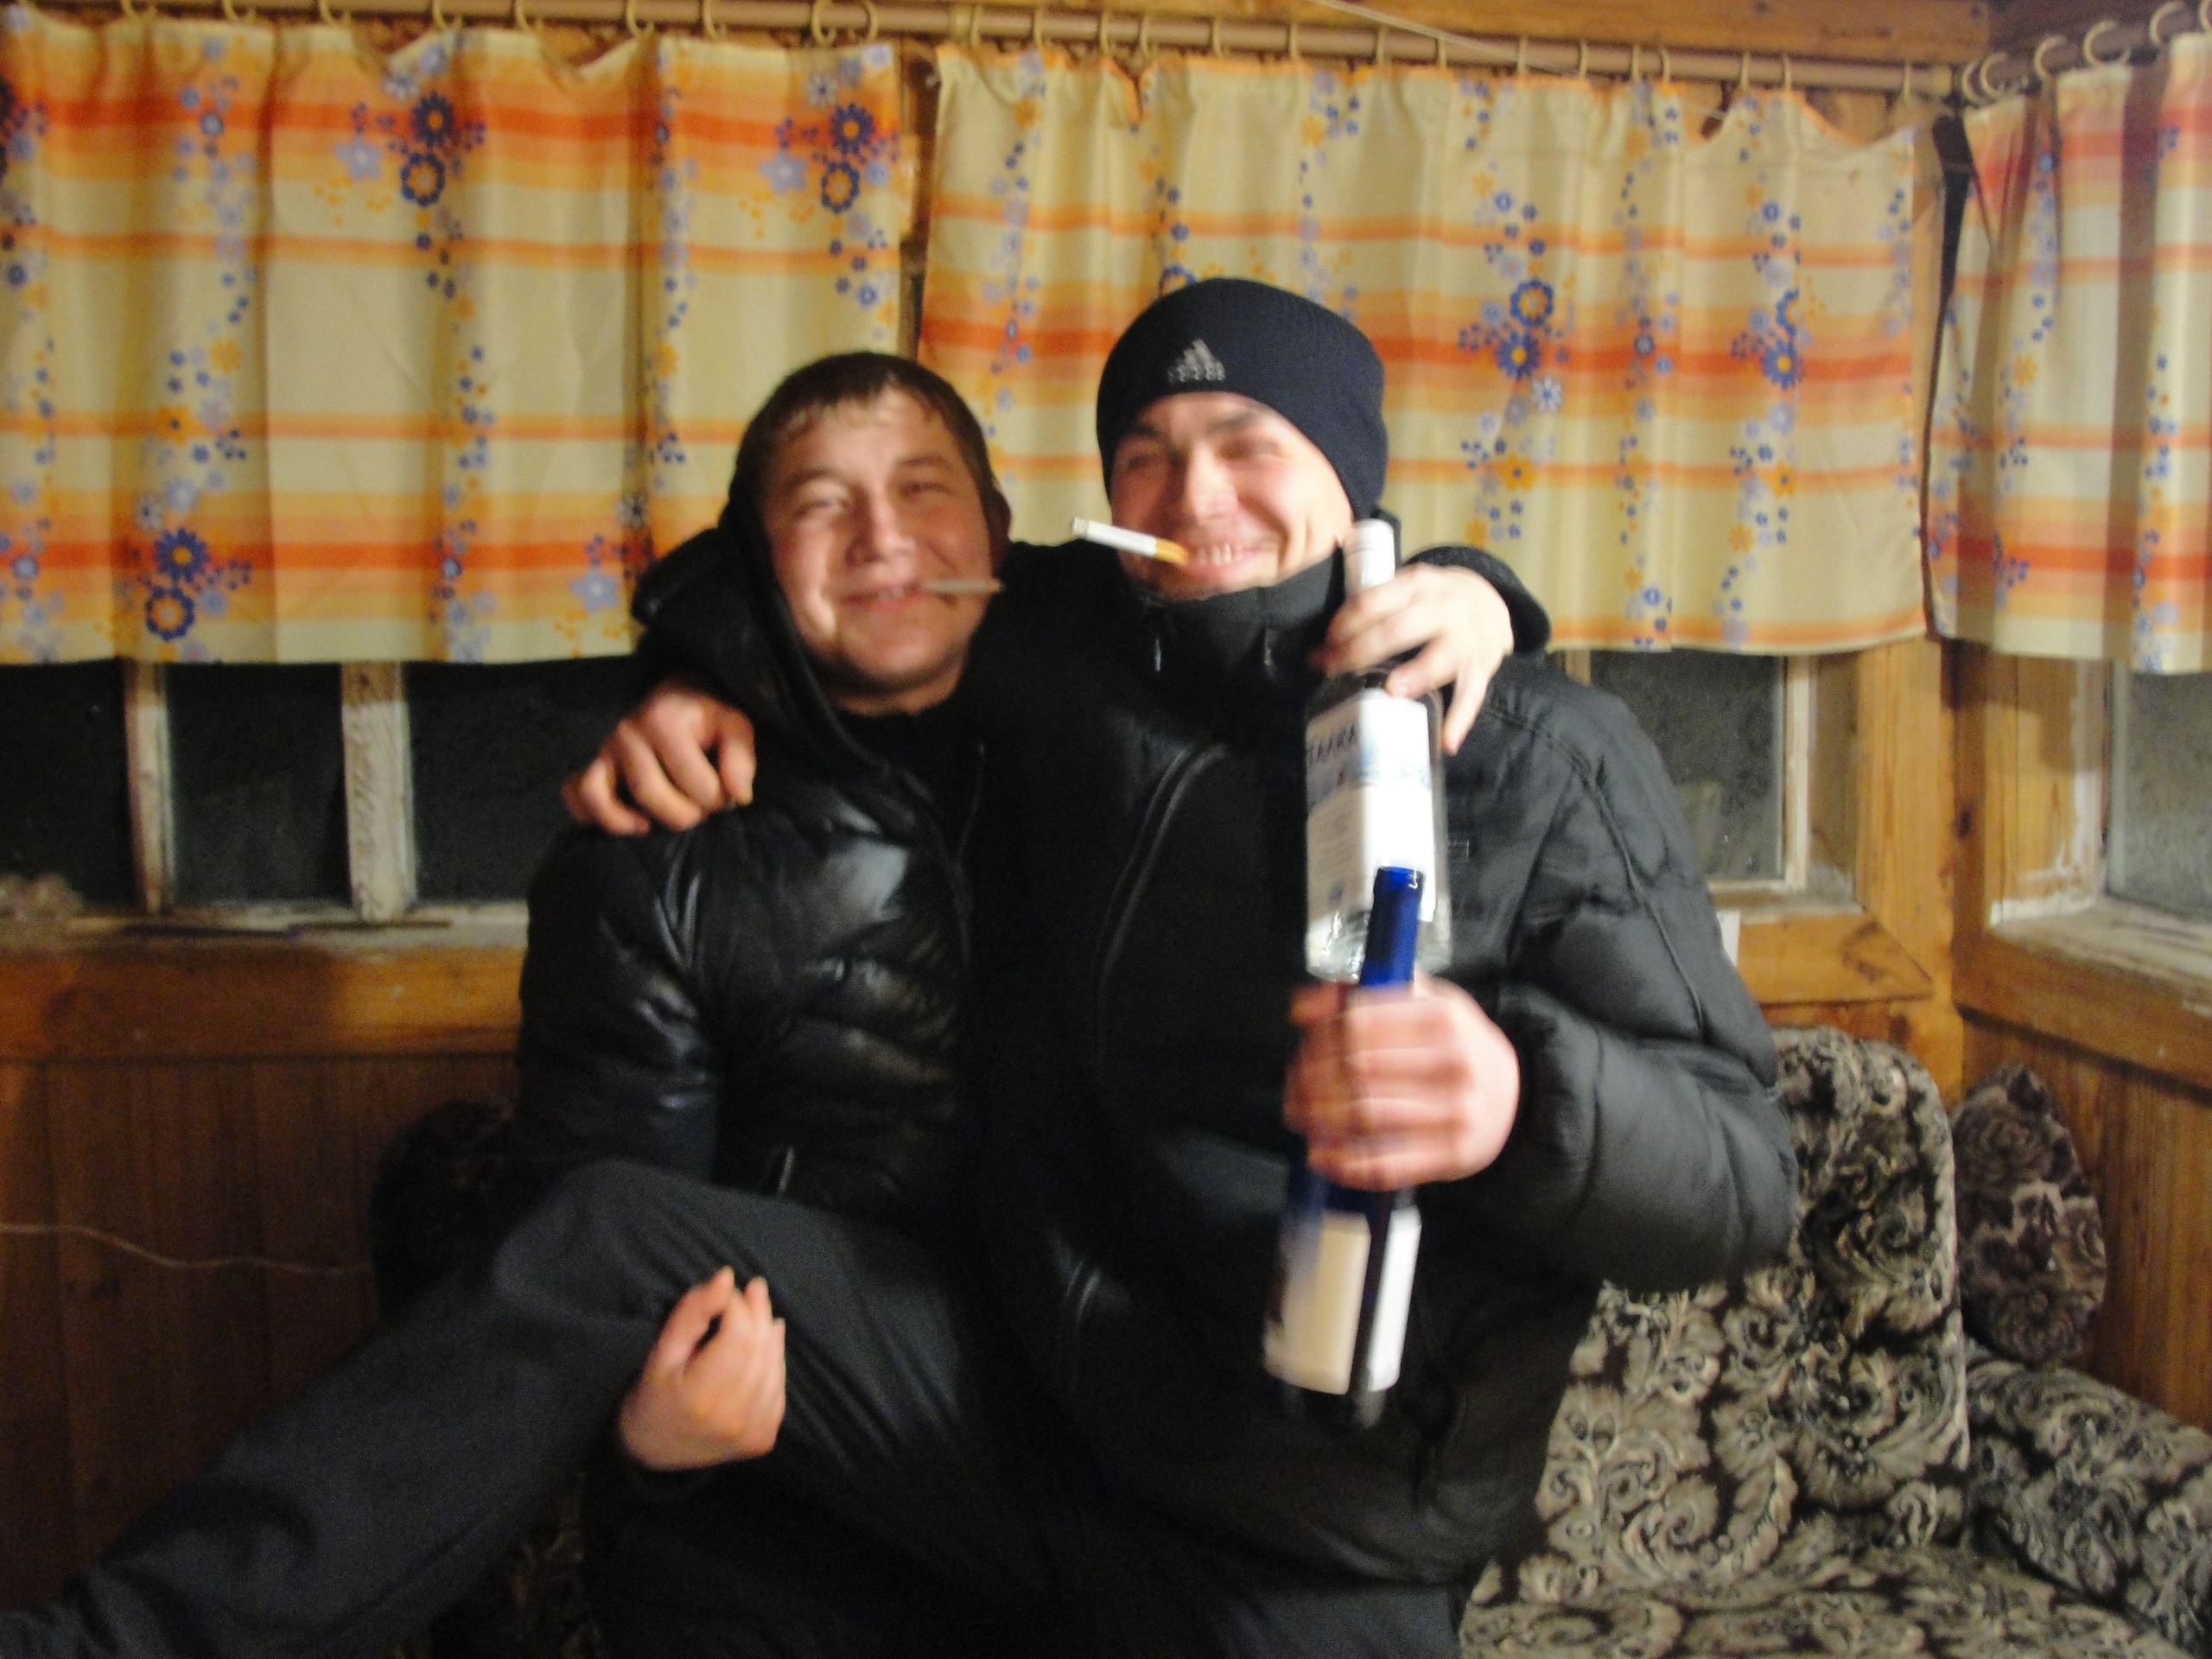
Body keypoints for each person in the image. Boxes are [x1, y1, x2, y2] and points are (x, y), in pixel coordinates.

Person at [0, 342, 1522, 1659]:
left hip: (1143, 1442)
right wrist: (653, 1447)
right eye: (822, 506)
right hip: (813, 1489)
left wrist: (1483, 592)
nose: (884, 540)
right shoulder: (661, 850)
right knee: (612, 1241)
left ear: (1006, 537)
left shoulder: (1107, 728)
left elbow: (1271, 578)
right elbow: (585, 1261)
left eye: (923, 491)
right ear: (758, 560)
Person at [575, 277, 1798, 1652]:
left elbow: (1746, 1183)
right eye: (1146, 454)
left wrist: (1521, 1099)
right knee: (605, 1270)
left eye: (1246, 441)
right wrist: (684, 685)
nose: (1193, 492)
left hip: (1313, 1536)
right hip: (1032, 1441)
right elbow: (846, 589)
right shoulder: (1069, 656)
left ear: (1346, 473)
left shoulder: (1543, 754)